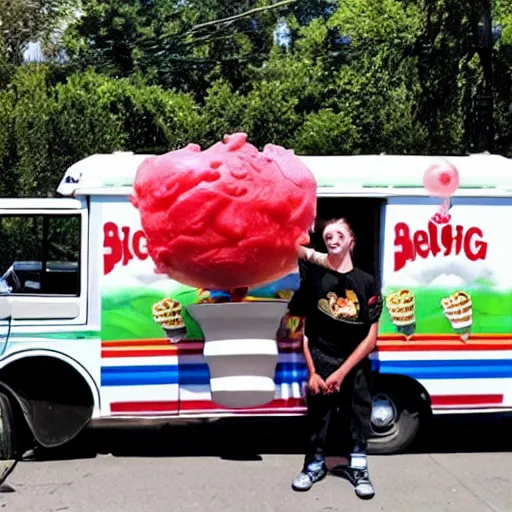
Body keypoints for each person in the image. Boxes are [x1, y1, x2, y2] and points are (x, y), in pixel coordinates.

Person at [289, 218, 383, 499]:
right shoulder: (315, 279)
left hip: (354, 365)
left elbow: (370, 339)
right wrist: (313, 372)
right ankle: (313, 466)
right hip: (321, 360)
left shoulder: (368, 282)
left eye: (339, 234)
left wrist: (341, 373)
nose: (332, 238)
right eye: (327, 235)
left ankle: (358, 468)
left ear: (351, 241)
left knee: (357, 417)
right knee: (319, 420)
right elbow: (305, 333)